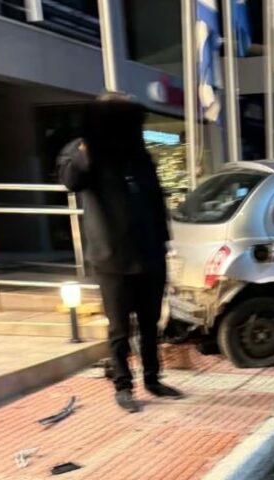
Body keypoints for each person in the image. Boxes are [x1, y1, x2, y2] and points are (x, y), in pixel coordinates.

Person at [57, 92, 182, 413]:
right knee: (119, 328)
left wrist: (164, 243)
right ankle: (123, 385)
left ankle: (153, 379)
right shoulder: (81, 149)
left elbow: (155, 199)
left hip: (149, 254)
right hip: (111, 256)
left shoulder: (138, 153)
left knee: (150, 323)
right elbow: (71, 181)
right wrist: (88, 146)